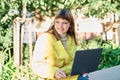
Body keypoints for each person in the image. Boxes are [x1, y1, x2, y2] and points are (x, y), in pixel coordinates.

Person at [30, 8, 91, 80]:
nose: (60, 26)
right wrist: (54, 71)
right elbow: (36, 65)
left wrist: (81, 69)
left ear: (70, 24)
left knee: (91, 77)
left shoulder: (71, 39)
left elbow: (73, 62)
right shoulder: (45, 38)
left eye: (64, 23)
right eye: (57, 22)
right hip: (53, 78)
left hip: (69, 77)